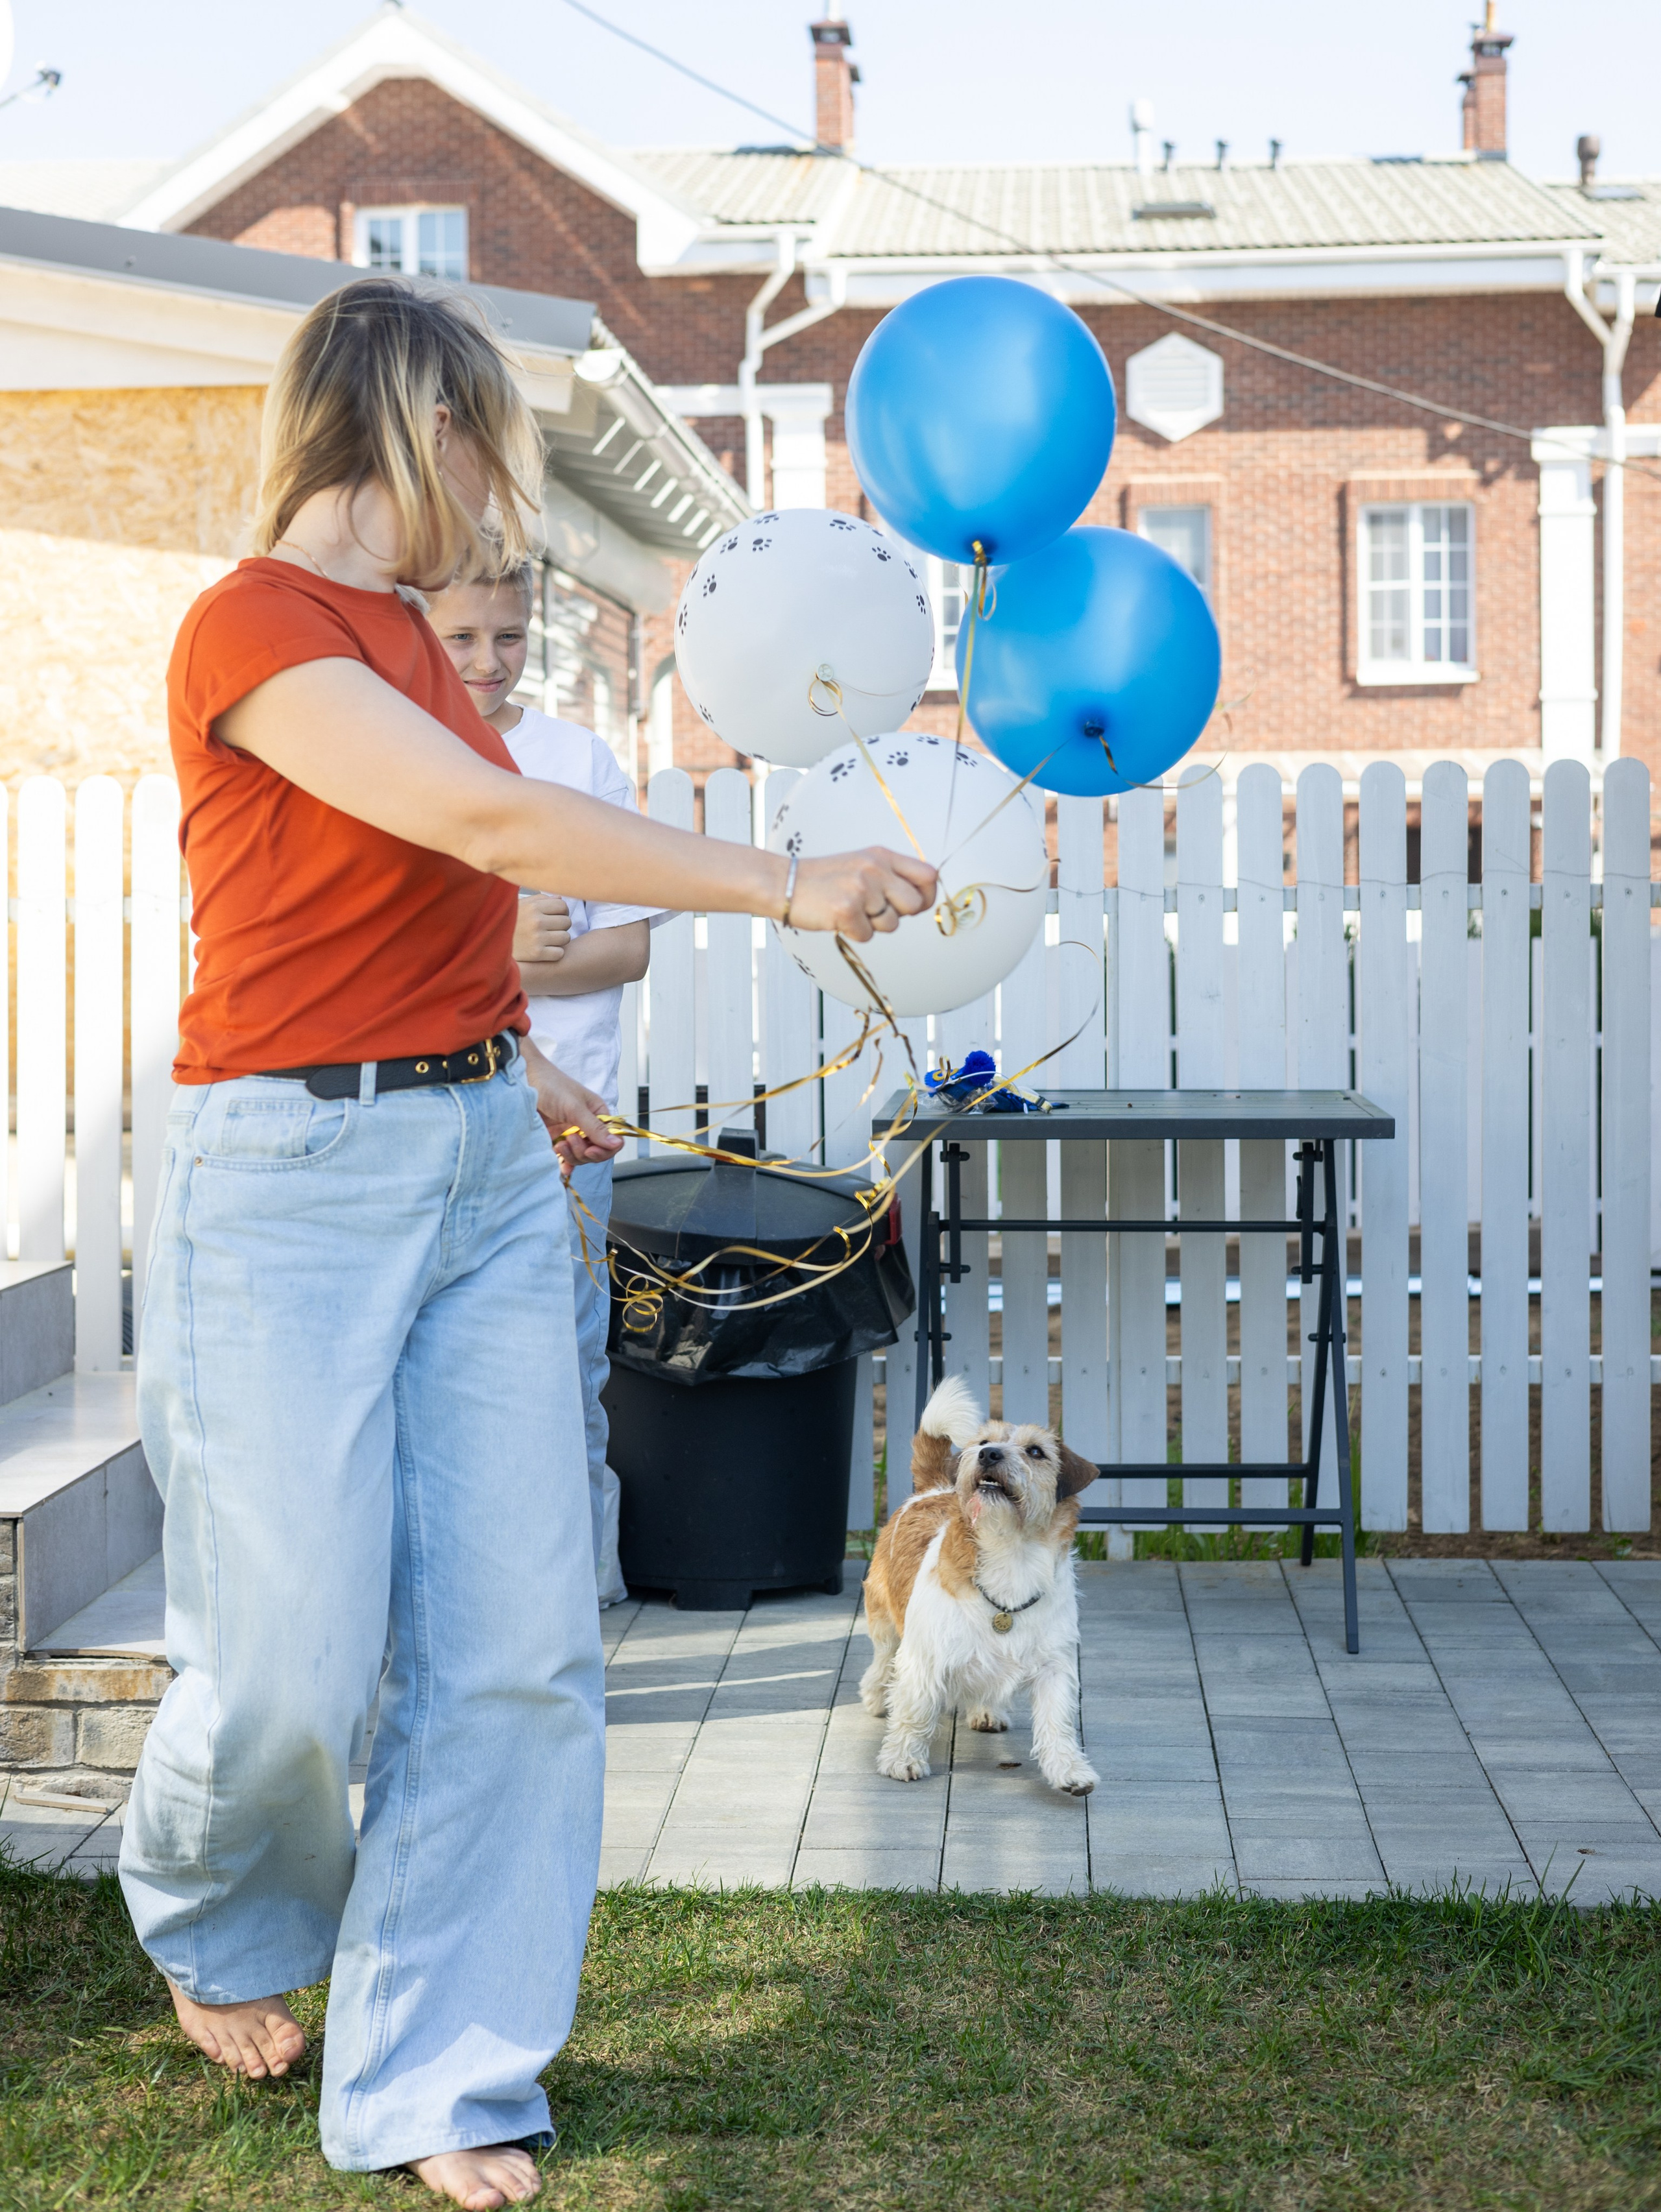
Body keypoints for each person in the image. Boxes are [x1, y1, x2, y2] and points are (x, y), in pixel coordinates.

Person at [117, 274, 935, 2212]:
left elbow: (433, 903)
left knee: (514, 1647)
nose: (506, 495)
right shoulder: (257, 623)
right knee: (288, 1653)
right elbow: (491, 827)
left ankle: (442, 2071)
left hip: (482, 1160)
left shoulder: (412, 636)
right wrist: (783, 882)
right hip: (289, 1181)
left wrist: (522, 1071)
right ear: (419, 427)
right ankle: (218, 1911)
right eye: (492, 448)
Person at [426, 562, 649, 1605]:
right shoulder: (406, 757)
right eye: (462, 636)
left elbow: (625, 948)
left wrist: (512, 961)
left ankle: (580, 1587)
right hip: (442, 1106)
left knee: (567, 1357)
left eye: (508, 636)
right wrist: (504, 946)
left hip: (569, 1122)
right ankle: (473, 1591)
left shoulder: (576, 761)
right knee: (457, 1364)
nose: (488, 659)